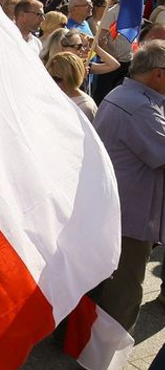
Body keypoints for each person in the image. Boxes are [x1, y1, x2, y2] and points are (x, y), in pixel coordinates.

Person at [92, 41, 165, 333]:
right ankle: (105, 358)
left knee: (105, 286)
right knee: (123, 294)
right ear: (158, 74)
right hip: (130, 218)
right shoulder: (140, 108)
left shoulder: (125, 94)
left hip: (117, 209)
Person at [46, 53, 98, 121]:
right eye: (48, 77)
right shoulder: (51, 95)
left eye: (57, 79)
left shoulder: (84, 107)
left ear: (72, 78)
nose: (52, 82)